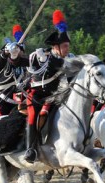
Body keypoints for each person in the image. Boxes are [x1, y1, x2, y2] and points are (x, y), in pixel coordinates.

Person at [24, 9, 73, 163]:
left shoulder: (69, 58)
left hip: (58, 94)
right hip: (39, 94)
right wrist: (16, 54)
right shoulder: (43, 56)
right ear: (56, 47)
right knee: (33, 115)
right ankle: (30, 148)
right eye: (65, 46)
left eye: (67, 46)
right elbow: (27, 63)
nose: (68, 49)